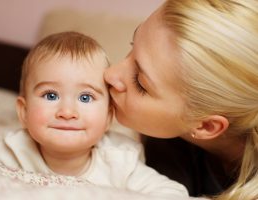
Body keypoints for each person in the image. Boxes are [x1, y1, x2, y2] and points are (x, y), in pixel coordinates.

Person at [0, 31, 189, 198]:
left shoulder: (119, 161)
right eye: (50, 95)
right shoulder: (12, 151)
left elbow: (173, 193)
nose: (67, 112)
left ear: (108, 116)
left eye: (85, 98)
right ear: (24, 112)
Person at [104, 0, 258, 199]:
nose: (110, 73)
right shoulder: (159, 145)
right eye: (132, 45)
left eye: (140, 83)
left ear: (207, 126)